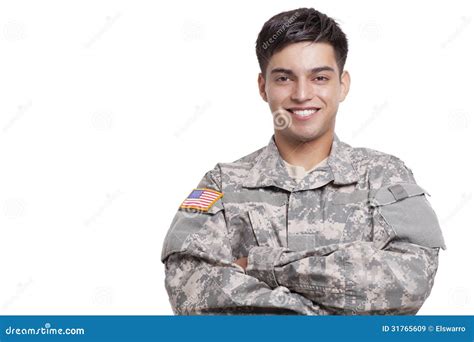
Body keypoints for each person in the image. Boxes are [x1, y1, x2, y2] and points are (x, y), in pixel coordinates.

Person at [161, 7, 446, 315]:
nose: (302, 94)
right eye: (284, 78)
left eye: (319, 77)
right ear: (263, 87)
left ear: (343, 85)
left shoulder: (384, 176)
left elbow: (410, 281)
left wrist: (264, 265)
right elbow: (189, 288)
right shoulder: (223, 184)